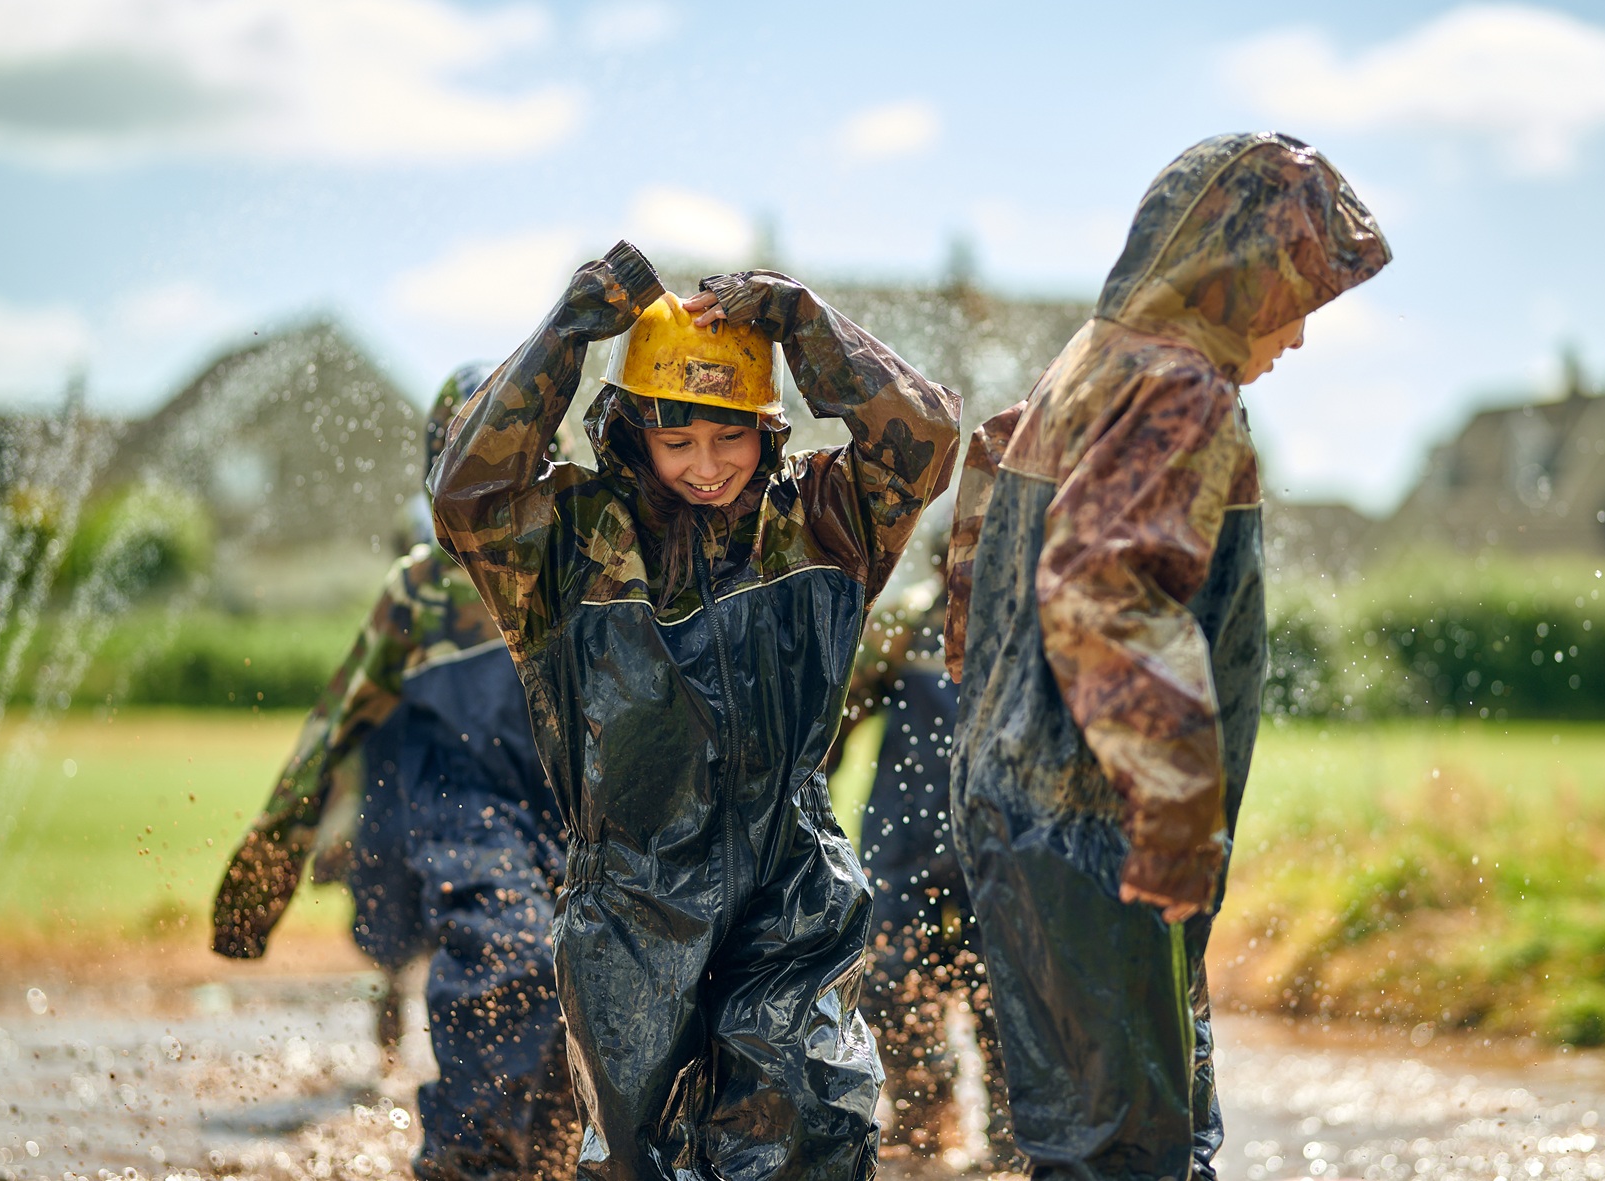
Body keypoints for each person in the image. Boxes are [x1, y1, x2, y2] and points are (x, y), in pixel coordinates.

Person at [428, 242, 960, 1181]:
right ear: (632, 432)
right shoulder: (567, 547)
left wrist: (803, 322)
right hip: (632, 894)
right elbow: (468, 489)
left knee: (808, 1124)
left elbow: (922, 431)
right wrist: (570, 328)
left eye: (732, 436)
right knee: (640, 1158)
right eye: (678, 442)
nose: (707, 466)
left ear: (770, 429)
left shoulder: (826, 522)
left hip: (791, 879)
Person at [945, 132, 1390, 1180]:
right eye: (1299, 293)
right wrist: (1177, 822)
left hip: (1018, 808)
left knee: (1105, 1135)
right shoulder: (1181, 387)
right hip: (1102, 826)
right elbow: (1106, 588)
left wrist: (994, 725)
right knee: (1127, 1152)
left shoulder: (1079, 371)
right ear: (1240, 271)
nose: (1299, 334)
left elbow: (975, 548)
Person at [212, 368, 578, 1181]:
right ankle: (466, 1162)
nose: (491, 483)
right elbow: (332, 727)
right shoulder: (419, 590)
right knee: (504, 955)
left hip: (575, 819)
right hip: (464, 812)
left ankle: (549, 1156)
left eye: (513, 460)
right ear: (434, 474)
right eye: (466, 462)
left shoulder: (587, 568)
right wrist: (267, 868)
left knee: (576, 1014)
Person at [832, 550, 1015, 1169]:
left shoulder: (1029, 627)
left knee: (1005, 1005)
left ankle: (1010, 1149)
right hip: (901, 856)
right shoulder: (904, 625)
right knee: (889, 991)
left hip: (1000, 861)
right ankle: (924, 1134)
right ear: (942, 565)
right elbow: (836, 725)